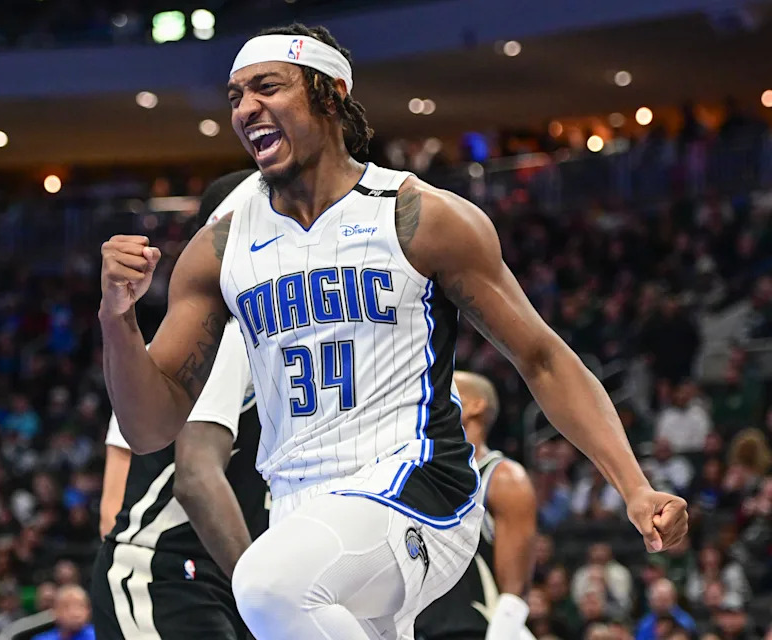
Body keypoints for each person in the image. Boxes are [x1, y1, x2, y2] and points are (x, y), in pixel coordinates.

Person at [98, 23, 689, 639]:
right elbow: (149, 428)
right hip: (299, 508)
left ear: (329, 93)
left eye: (266, 88)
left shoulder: (418, 217)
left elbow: (541, 357)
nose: (246, 109)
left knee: (265, 585)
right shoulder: (220, 246)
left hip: (416, 487)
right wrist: (117, 316)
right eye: (235, 96)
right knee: (281, 590)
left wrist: (634, 486)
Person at [91, 170, 269, 640]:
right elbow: (191, 478)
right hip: (169, 574)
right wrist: (266, 595)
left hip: (212, 578)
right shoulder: (227, 328)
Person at [414, 371, 537, 640]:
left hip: (476, 630)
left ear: (476, 405)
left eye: (445, 390)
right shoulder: (416, 476)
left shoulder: (504, 478)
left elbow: (515, 591)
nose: (430, 397)